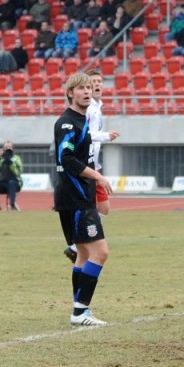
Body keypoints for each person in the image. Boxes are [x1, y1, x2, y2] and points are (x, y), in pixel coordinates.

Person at [54, 72, 114, 326]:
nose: (87, 91)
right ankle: (80, 312)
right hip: (75, 197)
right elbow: (66, 159)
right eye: (81, 88)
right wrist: (97, 177)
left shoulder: (82, 121)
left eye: (89, 87)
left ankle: (79, 309)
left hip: (79, 195)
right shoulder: (68, 124)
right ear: (71, 93)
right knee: (100, 252)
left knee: (82, 254)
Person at [64, 70, 120, 263]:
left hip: (93, 164)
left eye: (98, 82)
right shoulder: (88, 109)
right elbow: (84, 134)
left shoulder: (96, 106)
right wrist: (104, 136)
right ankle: (78, 243)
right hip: (87, 167)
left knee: (102, 206)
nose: (96, 85)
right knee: (101, 207)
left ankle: (77, 245)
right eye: (91, 82)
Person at [0, 140, 24, 211]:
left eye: (10, 147)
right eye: (6, 147)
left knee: (11, 183)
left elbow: (18, 172)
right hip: (3, 183)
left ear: (13, 148)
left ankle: (12, 204)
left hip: (15, 183)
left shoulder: (16, 158)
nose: (8, 149)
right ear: (3, 149)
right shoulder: (0, 159)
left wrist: (11, 163)